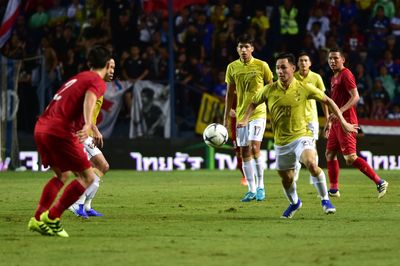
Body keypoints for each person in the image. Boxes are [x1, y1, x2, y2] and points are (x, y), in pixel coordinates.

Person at [239, 52, 358, 218]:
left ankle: (325, 200)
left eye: (284, 67)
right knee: (286, 178)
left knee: (311, 163)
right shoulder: (269, 90)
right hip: (281, 143)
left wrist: (343, 122)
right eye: (278, 68)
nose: (280, 71)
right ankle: (295, 203)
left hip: (302, 136)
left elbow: (328, 100)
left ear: (292, 68)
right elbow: (253, 102)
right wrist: (245, 118)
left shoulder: (304, 87)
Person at [27, 46, 114, 237]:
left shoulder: (77, 78)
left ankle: (38, 218)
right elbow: (90, 100)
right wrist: (88, 124)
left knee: (62, 175)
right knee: (87, 177)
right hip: (61, 131)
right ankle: (53, 217)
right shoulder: (96, 81)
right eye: (112, 66)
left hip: (42, 127)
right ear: (107, 65)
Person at [325, 48, 389, 198]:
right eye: (330, 59)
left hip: (346, 121)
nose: (332, 61)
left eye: (335, 58)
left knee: (350, 158)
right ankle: (334, 189)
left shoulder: (346, 74)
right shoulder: (334, 77)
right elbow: (334, 102)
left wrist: (339, 112)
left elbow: (355, 97)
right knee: (330, 153)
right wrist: (330, 118)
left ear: (343, 60)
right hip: (336, 121)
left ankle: (380, 182)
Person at [223, 33, 273, 202]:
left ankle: (261, 186)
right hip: (240, 115)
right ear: (237, 49)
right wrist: (226, 118)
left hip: (258, 113)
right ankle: (251, 190)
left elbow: (272, 89)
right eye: (240, 47)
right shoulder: (232, 67)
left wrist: (273, 110)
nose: (243, 50)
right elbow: (229, 94)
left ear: (252, 48)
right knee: (244, 151)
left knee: (254, 148)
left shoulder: (262, 65)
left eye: (246, 47)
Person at [69, 58, 115, 218]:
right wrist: (94, 128)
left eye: (114, 67)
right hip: (78, 133)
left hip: (85, 133)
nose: (112, 71)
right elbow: (82, 109)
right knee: (87, 172)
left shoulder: (100, 87)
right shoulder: (91, 84)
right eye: (110, 67)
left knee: (103, 167)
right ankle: (77, 204)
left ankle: (86, 205)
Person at [293, 52, 329, 182]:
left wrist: (327, 119)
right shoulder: (293, 77)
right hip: (296, 119)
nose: (303, 63)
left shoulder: (316, 78)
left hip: (311, 119)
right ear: (297, 64)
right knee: (295, 145)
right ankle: (295, 170)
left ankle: (314, 175)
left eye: (305, 60)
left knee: (312, 146)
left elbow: (323, 100)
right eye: (301, 60)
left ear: (310, 63)